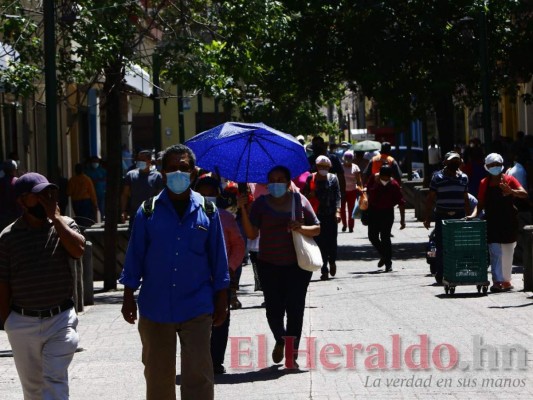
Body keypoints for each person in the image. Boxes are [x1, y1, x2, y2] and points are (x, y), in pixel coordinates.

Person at [119, 144, 229, 400]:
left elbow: (218, 260)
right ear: (163, 172)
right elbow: (134, 258)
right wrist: (127, 297)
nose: (178, 173)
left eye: (184, 168)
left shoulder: (208, 212)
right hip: (155, 308)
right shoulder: (147, 212)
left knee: (199, 376)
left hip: (197, 307)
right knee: (158, 378)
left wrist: (222, 299)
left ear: (192, 173)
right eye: (172, 168)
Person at [0, 172, 85, 399]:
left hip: (60, 320)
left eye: (49, 193)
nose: (45, 200)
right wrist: (8, 321)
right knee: (34, 390)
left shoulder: (65, 225)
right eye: (37, 196)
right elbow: (3, 282)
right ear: (22, 201)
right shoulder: (8, 237)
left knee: (54, 380)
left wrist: (56, 220)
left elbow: (78, 250)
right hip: (22, 322)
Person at [238, 165, 320, 369]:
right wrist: (242, 209)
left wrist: (300, 227)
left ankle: (292, 357)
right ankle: (281, 339)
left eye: (280, 179)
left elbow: (317, 228)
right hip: (269, 265)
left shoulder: (299, 200)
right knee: (273, 310)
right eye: (272, 180)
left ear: (287, 181)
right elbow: (251, 234)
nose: (276, 183)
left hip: (297, 267)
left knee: (295, 311)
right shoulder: (260, 204)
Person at [195, 175, 245, 375]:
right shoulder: (188, 217)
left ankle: (216, 360)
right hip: (196, 278)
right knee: (196, 320)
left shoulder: (225, 217)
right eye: (203, 194)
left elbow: (239, 246)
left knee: (221, 317)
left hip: (221, 278)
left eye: (211, 194)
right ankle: (198, 358)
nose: (207, 197)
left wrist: (229, 268)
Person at [476, 153, 528, 292]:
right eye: (491, 165)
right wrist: (472, 215)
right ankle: (497, 281)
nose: (495, 167)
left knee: (508, 252)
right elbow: (480, 204)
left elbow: (524, 193)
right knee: (495, 252)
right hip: (492, 222)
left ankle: (506, 281)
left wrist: (511, 191)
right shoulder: (483, 183)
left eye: (497, 165)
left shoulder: (510, 179)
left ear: (502, 165)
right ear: (486, 167)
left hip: (509, 222)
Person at [424, 151, 471, 284]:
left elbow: (465, 198)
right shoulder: (437, 178)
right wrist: (427, 217)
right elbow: (430, 198)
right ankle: (441, 272)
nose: (454, 163)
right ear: (445, 162)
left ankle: (456, 271)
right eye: (451, 161)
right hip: (442, 216)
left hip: (459, 216)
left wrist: (469, 216)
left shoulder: (464, 178)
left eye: (457, 161)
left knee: (458, 244)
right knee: (441, 245)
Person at [303, 156, 341, 280]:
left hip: (331, 215)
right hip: (316, 216)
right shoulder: (311, 178)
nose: (323, 169)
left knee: (332, 241)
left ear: (329, 167)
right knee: (320, 243)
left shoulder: (333, 178)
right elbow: (304, 197)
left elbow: (337, 196)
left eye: (325, 167)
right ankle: (324, 269)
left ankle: (332, 261)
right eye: (320, 166)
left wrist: (338, 211)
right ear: (316, 166)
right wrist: (310, 194)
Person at [366, 165, 406, 272]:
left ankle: (388, 263)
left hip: (387, 213)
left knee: (385, 237)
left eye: (387, 178)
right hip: (374, 212)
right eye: (382, 177)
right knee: (372, 236)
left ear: (390, 176)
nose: (384, 180)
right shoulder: (373, 180)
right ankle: (384, 255)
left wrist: (403, 220)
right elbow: (367, 193)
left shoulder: (394, 185)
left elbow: (401, 202)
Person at [120, 150, 164, 230]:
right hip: (135, 214)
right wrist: (123, 211)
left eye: (143, 160)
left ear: (149, 161)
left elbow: (160, 196)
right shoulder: (131, 175)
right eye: (139, 159)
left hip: (151, 215)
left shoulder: (157, 176)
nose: (140, 162)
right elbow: (125, 194)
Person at [67, 163, 98, 227]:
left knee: (79, 218)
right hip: (86, 202)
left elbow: (68, 192)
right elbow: (92, 192)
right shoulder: (87, 179)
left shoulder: (72, 180)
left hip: (76, 202)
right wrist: (95, 204)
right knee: (86, 218)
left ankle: (81, 229)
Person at [340, 150, 362, 233]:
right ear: (344, 158)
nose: (348, 160)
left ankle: (351, 226)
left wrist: (361, 189)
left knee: (351, 209)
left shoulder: (355, 167)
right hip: (342, 191)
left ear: (352, 159)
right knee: (342, 209)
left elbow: (359, 180)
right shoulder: (341, 167)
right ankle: (344, 225)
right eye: (346, 158)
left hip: (352, 190)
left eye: (349, 158)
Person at [84, 156, 107, 221]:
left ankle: (102, 219)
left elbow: (106, 180)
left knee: (101, 207)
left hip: (101, 192)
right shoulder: (87, 171)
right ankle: (93, 220)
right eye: (93, 162)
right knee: (92, 208)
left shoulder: (103, 171)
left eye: (96, 162)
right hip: (90, 194)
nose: (95, 163)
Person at [0, 160, 20, 231]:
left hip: (2, 216)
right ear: (14, 170)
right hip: (15, 216)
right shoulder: (18, 182)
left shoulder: (1, 182)